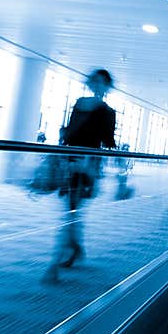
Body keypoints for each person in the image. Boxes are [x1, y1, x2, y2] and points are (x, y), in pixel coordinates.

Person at [43, 68, 116, 284]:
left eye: (101, 82)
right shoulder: (80, 102)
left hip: (86, 164)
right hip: (70, 160)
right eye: (95, 80)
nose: (96, 84)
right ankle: (75, 247)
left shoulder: (106, 110)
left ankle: (55, 263)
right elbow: (70, 132)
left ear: (106, 85)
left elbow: (107, 140)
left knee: (72, 209)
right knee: (71, 209)